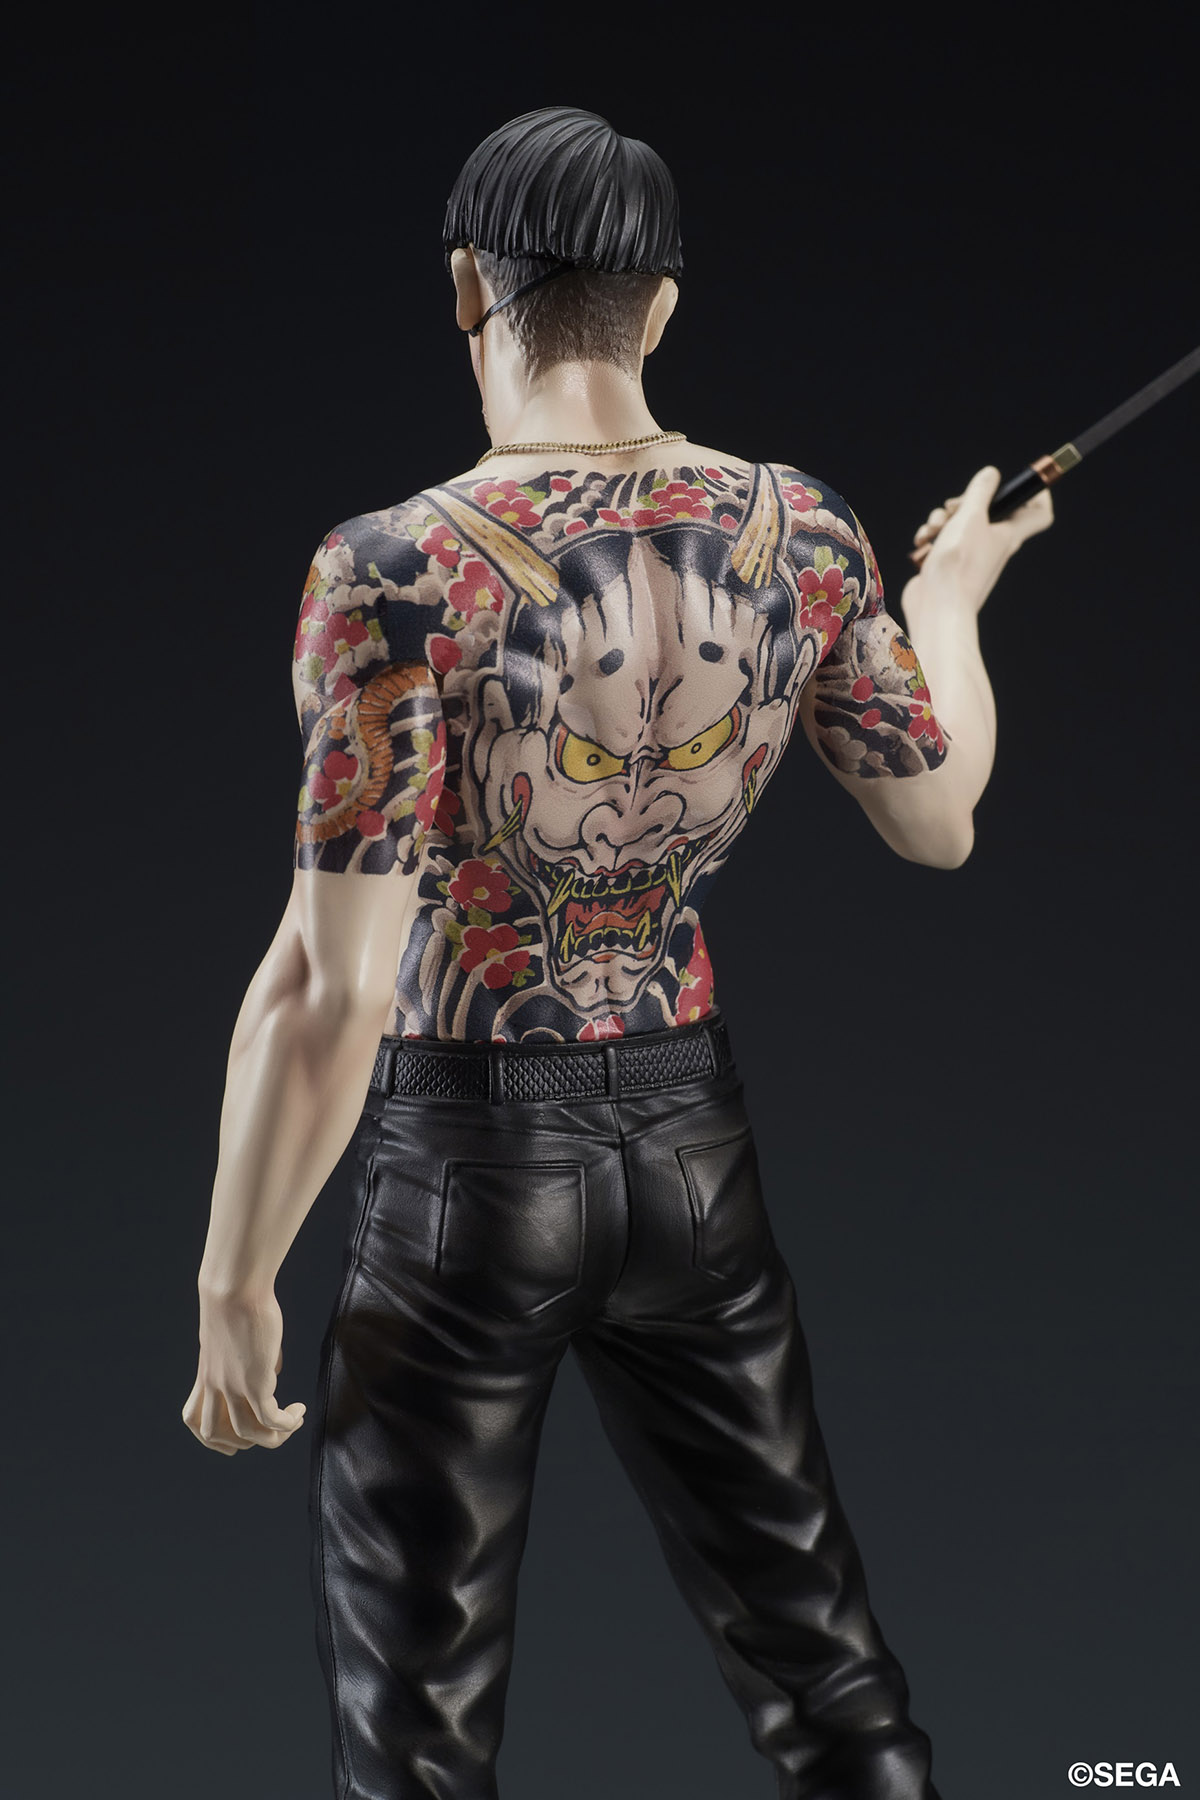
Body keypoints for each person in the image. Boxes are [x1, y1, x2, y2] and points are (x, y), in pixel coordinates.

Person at [182, 106, 1052, 1799]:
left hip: (462, 1163)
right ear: (660, 308)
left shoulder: (395, 572)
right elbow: (941, 816)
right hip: (690, 1146)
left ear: (467, 288)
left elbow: (328, 984)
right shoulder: (803, 530)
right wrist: (952, 596)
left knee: (417, 1742)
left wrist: (234, 1278)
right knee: (827, 1680)